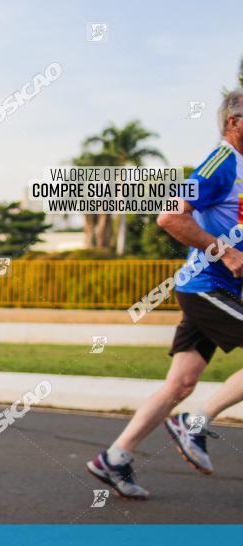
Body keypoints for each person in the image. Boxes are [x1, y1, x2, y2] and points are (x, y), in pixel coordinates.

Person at [87, 89, 243, 499]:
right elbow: (170, 217)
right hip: (206, 286)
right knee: (187, 395)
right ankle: (196, 421)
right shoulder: (221, 161)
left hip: (216, 290)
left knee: (180, 384)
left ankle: (115, 458)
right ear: (234, 122)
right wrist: (225, 252)